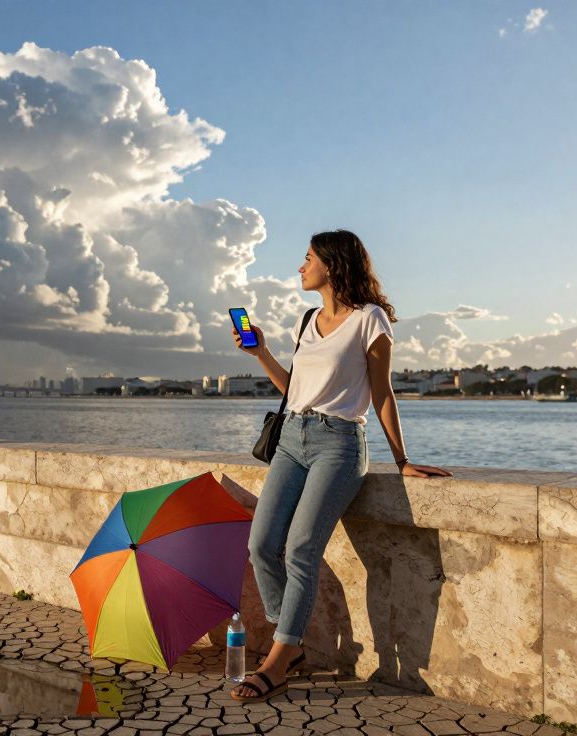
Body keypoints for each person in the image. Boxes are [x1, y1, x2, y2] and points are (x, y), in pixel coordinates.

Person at [227, 229, 451, 703]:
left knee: (302, 549)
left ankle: (278, 661)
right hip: (292, 437)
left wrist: (403, 460)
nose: (300, 266)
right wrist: (260, 353)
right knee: (262, 544)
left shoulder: (371, 321)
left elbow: (382, 393)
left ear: (331, 263)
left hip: (340, 444)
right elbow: (296, 390)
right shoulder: (307, 320)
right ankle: (290, 642)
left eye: (307, 258)